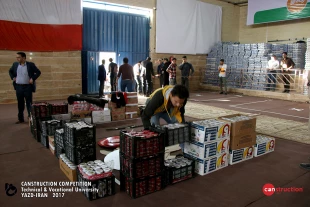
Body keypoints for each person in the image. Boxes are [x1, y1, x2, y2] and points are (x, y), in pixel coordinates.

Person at [9, 52, 41, 124]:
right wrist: (13, 77)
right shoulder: (15, 64)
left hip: (27, 87)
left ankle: (31, 117)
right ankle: (21, 119)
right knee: (20, 103)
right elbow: (10, 71)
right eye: (17, 57)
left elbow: (38, 72)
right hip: (18, 87)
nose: (17, 58)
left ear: (24, 58)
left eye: (19, 57)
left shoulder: (30, 65)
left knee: (29, 103)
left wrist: (33, 78)